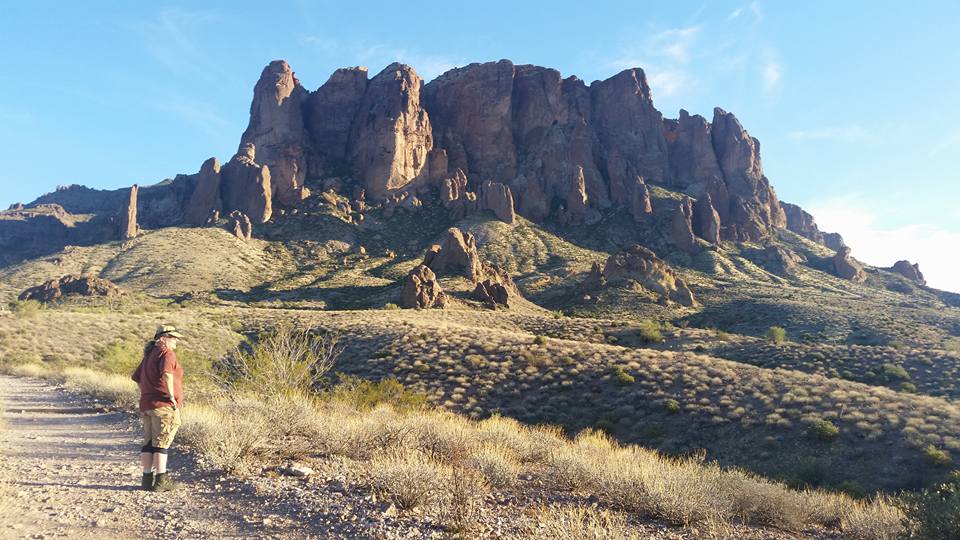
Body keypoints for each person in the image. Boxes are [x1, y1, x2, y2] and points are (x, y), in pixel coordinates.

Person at [132, 324, 185, 492]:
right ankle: (161, 480)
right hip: (163, 405)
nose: (176, 340)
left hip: (147, 404)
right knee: (162, 443)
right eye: (172, 337)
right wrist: (171, 397)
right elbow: (167, 374)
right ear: (163, 339)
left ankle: (147, 479)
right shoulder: (167, 354)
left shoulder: (149, 355)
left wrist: (147, 393)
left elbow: (137, 378)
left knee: (149, 443)